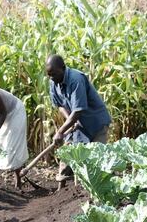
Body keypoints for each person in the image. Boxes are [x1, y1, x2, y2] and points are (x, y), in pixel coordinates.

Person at [45, 54, 112, 189]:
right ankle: (61, 189)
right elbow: (59, 105)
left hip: (95, 123)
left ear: (63, 68)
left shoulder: (76, 80)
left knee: (96, 159)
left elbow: (78, 111)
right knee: (68, 152)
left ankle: (95, 192)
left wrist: (60, 131)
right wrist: (69, 118)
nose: (52, 78)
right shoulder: (53, 82)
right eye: (49, 75)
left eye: (54, 74)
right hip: (76, 123)